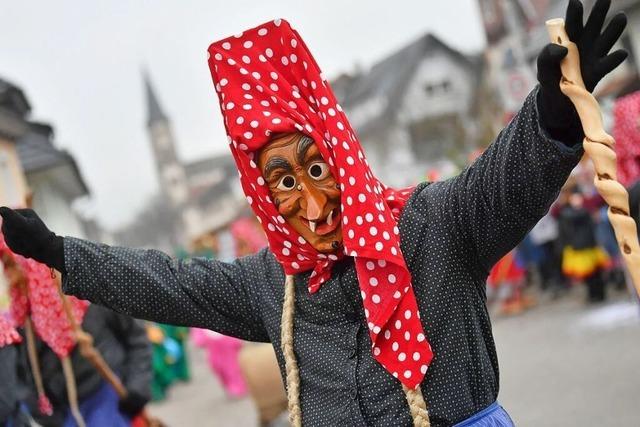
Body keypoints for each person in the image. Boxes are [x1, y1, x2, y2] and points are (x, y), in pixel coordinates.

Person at [0, 1, 628, 425]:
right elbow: (168, 282)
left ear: (342, 156)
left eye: (317, 168)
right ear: (264, 197)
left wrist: (553, 108)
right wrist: (58, 253)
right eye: (283, 183)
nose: (312, 202)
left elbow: (502, 184)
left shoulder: (431, 227)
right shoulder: (274, 285)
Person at [16, 304, 153, 427]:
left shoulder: (94, 293)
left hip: (111, 397)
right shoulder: (25, 320)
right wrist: (52, 419)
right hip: (68, 412)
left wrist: (136, 388)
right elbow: (25, 380)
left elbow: (136, 339)